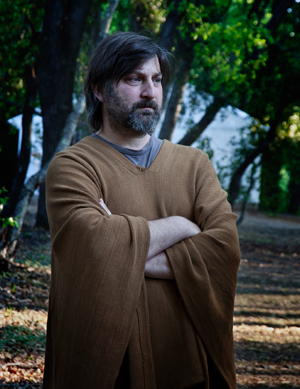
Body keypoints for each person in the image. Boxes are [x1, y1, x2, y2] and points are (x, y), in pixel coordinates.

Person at [43, 32, 240, 389]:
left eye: (157, 80)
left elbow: (223, 250)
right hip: (107, 370)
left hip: (188, 366)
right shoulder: (73, 166)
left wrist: (121, 245)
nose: (150, 92)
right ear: (100, 90)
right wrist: (182, 225)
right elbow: (92, 250)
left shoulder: (195, 165)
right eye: (134, 79)